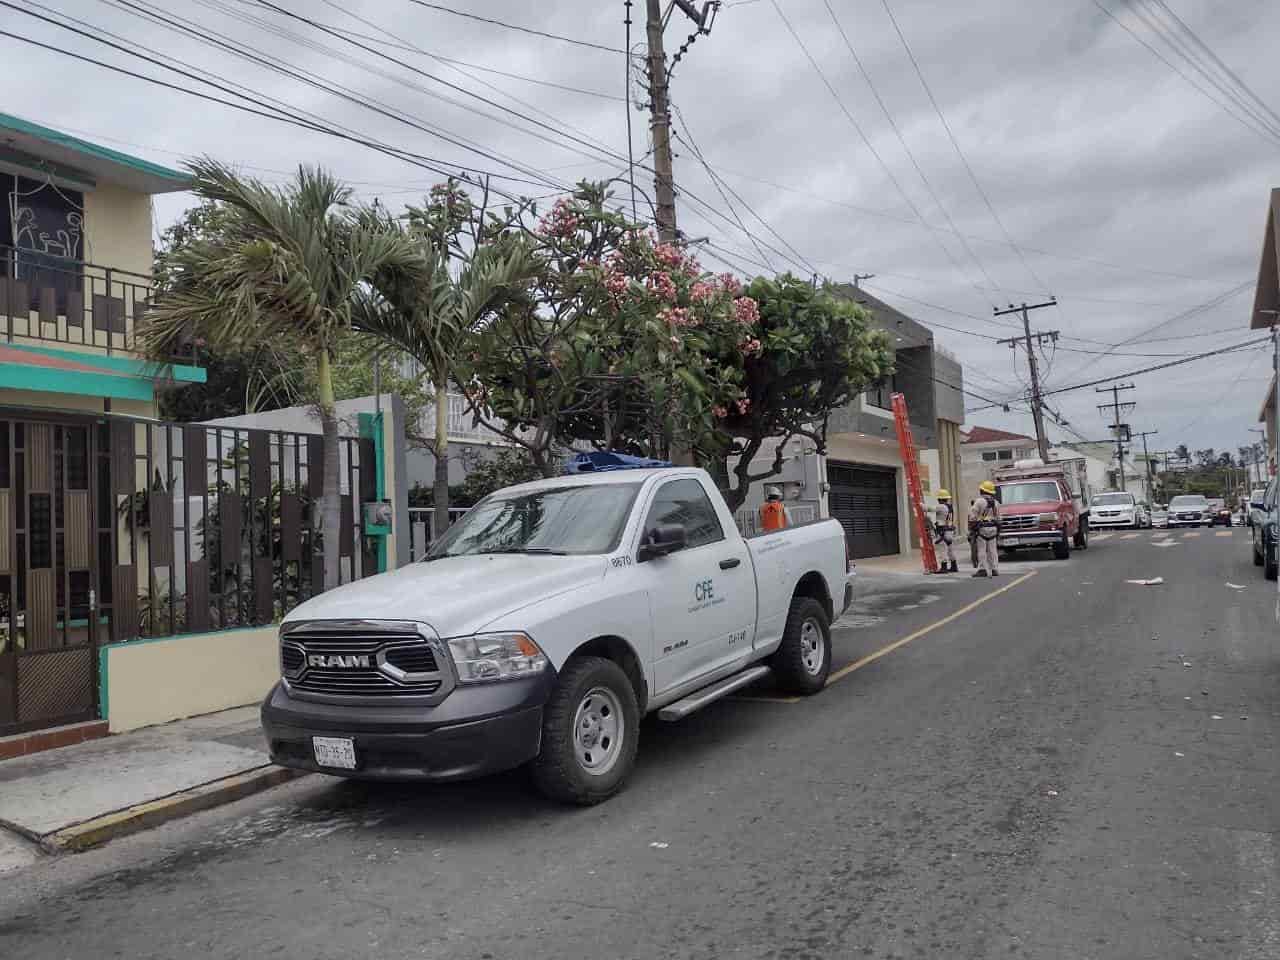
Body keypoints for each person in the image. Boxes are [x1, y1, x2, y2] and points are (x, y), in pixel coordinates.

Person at [969, 480, 1000, 578]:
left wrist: (972, 528)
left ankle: (982, 569)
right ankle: (994, 568)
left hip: (982, 529)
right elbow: (998, 517)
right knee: (992, 550)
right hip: (993, 529)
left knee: (981, 549)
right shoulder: (996, 503)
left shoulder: (979, 501)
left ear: (982, 490)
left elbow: (972, 516)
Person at [933, 489, 958, 573]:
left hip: (943, 532)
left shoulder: (941, 506)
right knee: (950, 550)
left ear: (940, 499)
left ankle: (944, 568)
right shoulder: (950, 507)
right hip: (950, 531)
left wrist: (921, 505)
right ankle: (954, 566)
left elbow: (930, 509)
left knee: (942, 549)